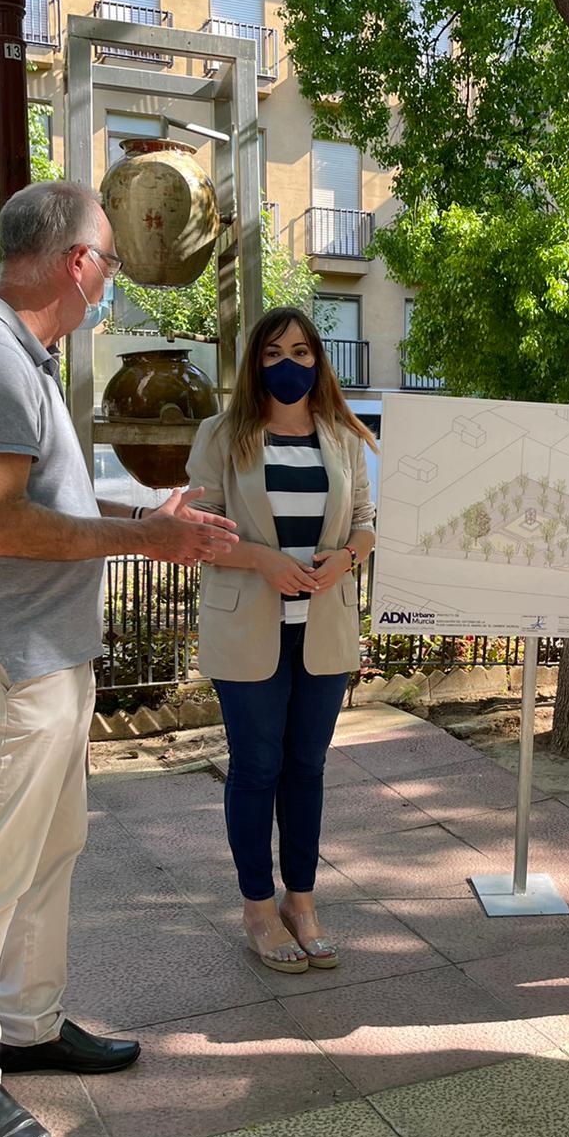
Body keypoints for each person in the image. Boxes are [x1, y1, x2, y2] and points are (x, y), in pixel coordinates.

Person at [0, 181, 238, 1137]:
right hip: (11, 665)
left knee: (46, 858)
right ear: (74, 263)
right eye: (106, 259)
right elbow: (1, 523)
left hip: (45, 660)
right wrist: (145, 535)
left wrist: (147, 515)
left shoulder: (21, 359)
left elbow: (42, 495)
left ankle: (30, 1025)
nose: (110, 282)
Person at [185, 306, 377, 974]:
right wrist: (264, 559)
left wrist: (347, 559)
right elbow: (196, 529)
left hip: (323, 627)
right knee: (256, 769)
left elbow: (366, 523)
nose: (288, 364)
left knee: (308, 770)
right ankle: (258, 910)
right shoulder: (222, 434)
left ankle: (302, 901)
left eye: (300, 351)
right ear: (253, 364)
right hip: (248, 627)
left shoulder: (343, 438)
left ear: (319, 359)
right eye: (272, 353)